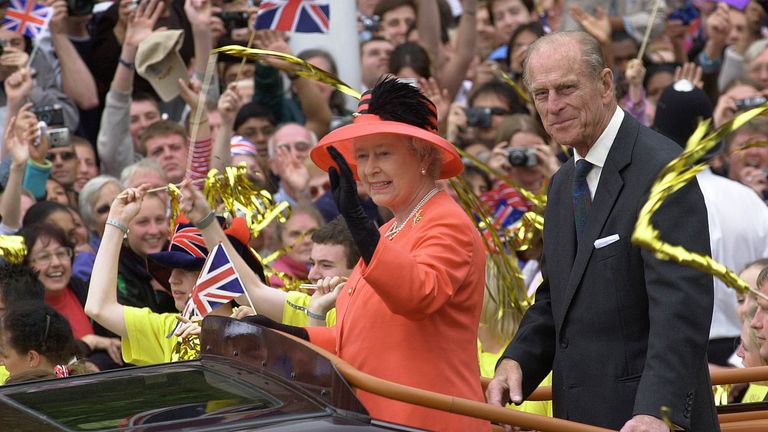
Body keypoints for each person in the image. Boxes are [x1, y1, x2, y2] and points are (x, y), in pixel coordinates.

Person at [486, 32, 716, 431]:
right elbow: (559, 294)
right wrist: (517, 359)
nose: (553, 106)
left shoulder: (662, 169)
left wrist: (656, 410)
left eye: (566, 88)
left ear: (607, 84)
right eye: (541, 94)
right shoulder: (562, 183)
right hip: (578, 418)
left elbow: (681, 308)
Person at [246, 77, 489, 430]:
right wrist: (279, 336)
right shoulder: (388, 231)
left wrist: (359, 223)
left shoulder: (446, 221)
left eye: (383, 153)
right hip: (379, 421)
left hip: (428, 422)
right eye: (362, 156)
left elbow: (417, 295)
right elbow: (356, 339)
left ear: (422, 155)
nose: (369, 168)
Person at [85, 185, 265, 366]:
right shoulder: (170, 329)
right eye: (171, 270)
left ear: (222, 275)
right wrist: (116, 222)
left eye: (186, 270)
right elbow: (98, 307)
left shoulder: (256, 327)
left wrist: (253, 331)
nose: (172, 279)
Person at [0, 303, 80, 383]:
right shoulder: (86, 383)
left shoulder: (14, 394)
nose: (1, 362)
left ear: (32, 358)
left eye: (5, 356)